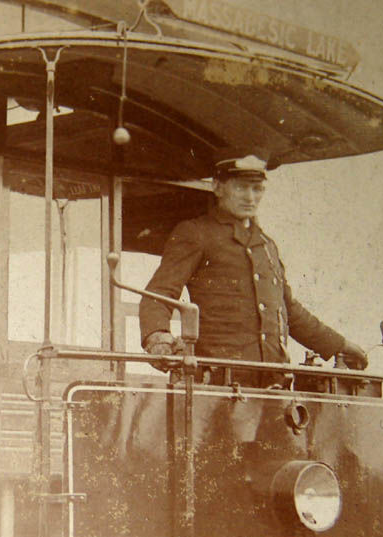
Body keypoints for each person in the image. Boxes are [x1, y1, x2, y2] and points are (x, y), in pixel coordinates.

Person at [139, 150, 367, 386]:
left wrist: (338, 344)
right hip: (219, 385)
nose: (250, 197)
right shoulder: (196, 233)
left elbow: (290, 311)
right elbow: (158, 295)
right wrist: (158, 337)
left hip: (272, 385)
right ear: (218, 187)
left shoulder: (266, 246)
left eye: (257, 189)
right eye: (240, 187)